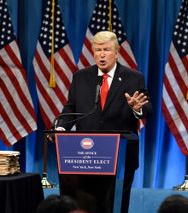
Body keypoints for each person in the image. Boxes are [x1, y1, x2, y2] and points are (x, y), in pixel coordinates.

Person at [56, 31, 151, 213]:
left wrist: (137, 107)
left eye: (106, 50)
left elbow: (148, 109)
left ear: (116, 52)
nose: (101, 54)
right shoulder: (81, 77)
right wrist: (60, 127)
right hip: (84, 157)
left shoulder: (134, 77)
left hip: (120, 157)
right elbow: (71, 109)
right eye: (97, 49)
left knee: (114, 207)